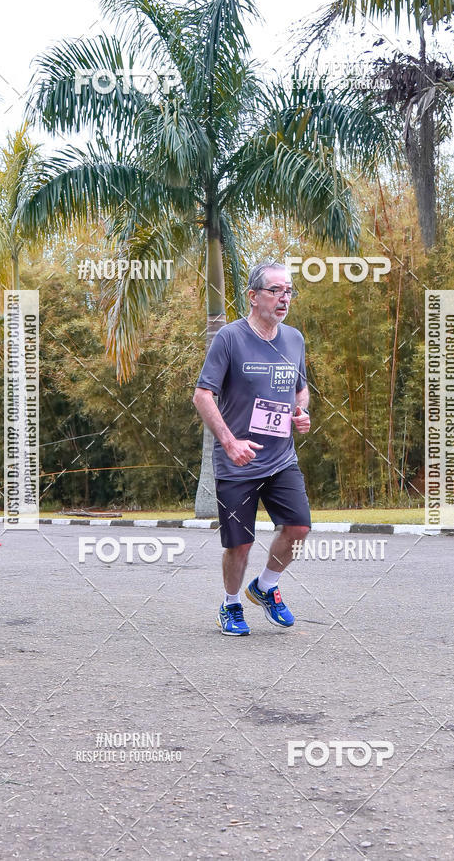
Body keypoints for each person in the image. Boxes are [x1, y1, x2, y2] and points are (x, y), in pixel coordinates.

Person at [193, 261, 311, 636]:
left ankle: (266, 585)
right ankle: (230, 605)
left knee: (299, 527)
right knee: (239, 545)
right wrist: (230, 442)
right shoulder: (229, 337)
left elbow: (300, 388)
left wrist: (301, 411)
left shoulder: (294, 339)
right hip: (237, 463)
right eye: (276, 290)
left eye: (289, 291)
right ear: (254, 296)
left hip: (281, 459)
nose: (284, 298)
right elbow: (202, 394)